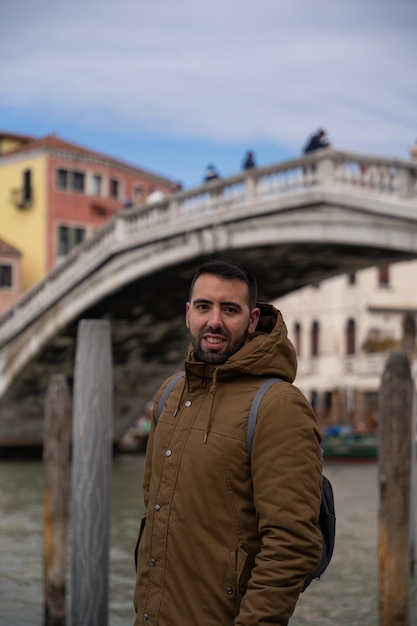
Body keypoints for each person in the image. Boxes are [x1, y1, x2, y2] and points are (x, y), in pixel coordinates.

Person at [133, 257, 323, 625]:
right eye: (204, 307)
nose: (214, 321)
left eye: (230, 309)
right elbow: (153, 512)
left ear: (252, 321)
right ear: (188, 314)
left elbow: (292, 545)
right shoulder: (170, 393)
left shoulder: (278, 406)